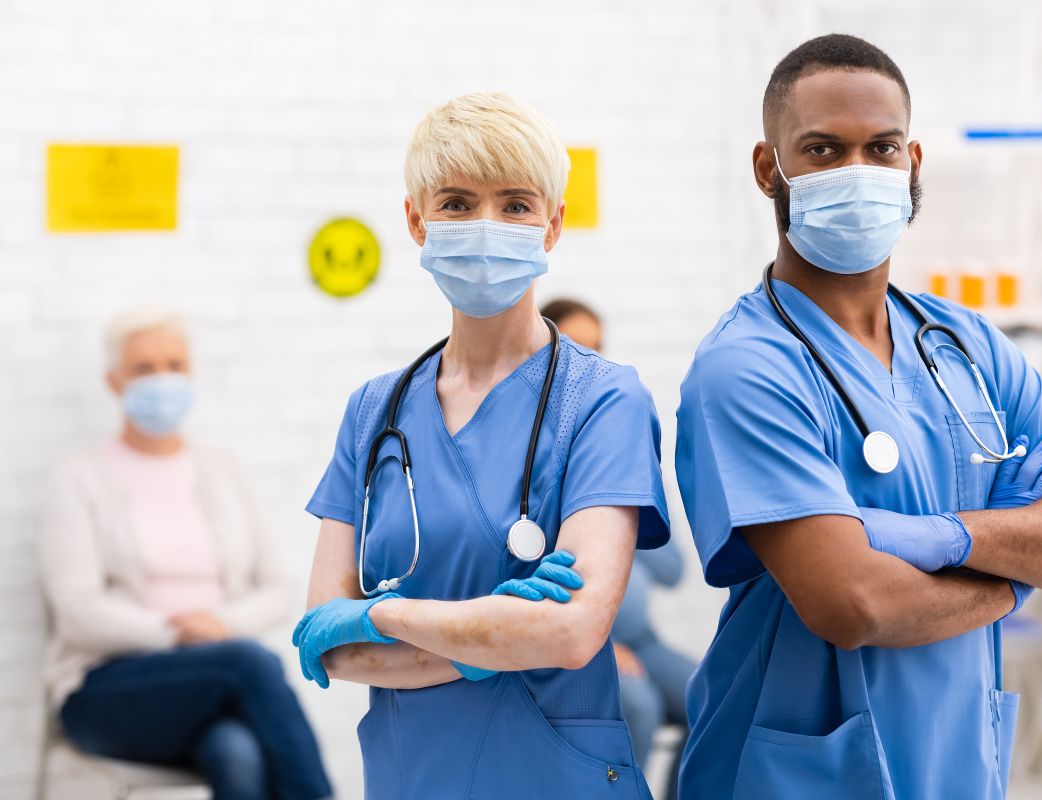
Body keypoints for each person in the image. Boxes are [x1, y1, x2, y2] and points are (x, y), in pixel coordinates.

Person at [673, 34, 1042, 799]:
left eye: (881, 148)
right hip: (792, 773)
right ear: (771, 169)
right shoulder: (748, 367)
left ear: (913, 162)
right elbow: (855, 603)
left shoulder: (964, 345)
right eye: (823, 150)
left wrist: (947, 536)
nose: (857, 173)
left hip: (955, 761)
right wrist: (1013, 579)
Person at [294, 92, 670, 799]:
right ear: (416, 219)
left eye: (517, 204)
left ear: (553, 225)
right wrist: (494, 631)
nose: (487, 225)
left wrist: (381, 615)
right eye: (458, 203)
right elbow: (329, 642)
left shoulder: (604, 402)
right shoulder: (376, 412)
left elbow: (570, 633)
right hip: (410, 778)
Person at [40, 307, 332, 800]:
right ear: (114, 382)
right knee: (248, 662)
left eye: (174, 365)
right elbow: (77, 612)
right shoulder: (78, 478)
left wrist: (220, 625)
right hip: (106, 688)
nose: (162, 380)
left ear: (192, 373)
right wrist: (176, 633)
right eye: (143, 368)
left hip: (214, 680)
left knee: (234, 750)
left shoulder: (223, 471)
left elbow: (278, 589)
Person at [542, 298, 695, 799]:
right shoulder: (539, 455)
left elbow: (672, 568)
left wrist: (621, 512)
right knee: (641, 705)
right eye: (576, 347)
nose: (592, 360)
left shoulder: (622, 441)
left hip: (642, 637)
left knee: (714, 697)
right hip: (585, 644)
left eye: (598, 347)